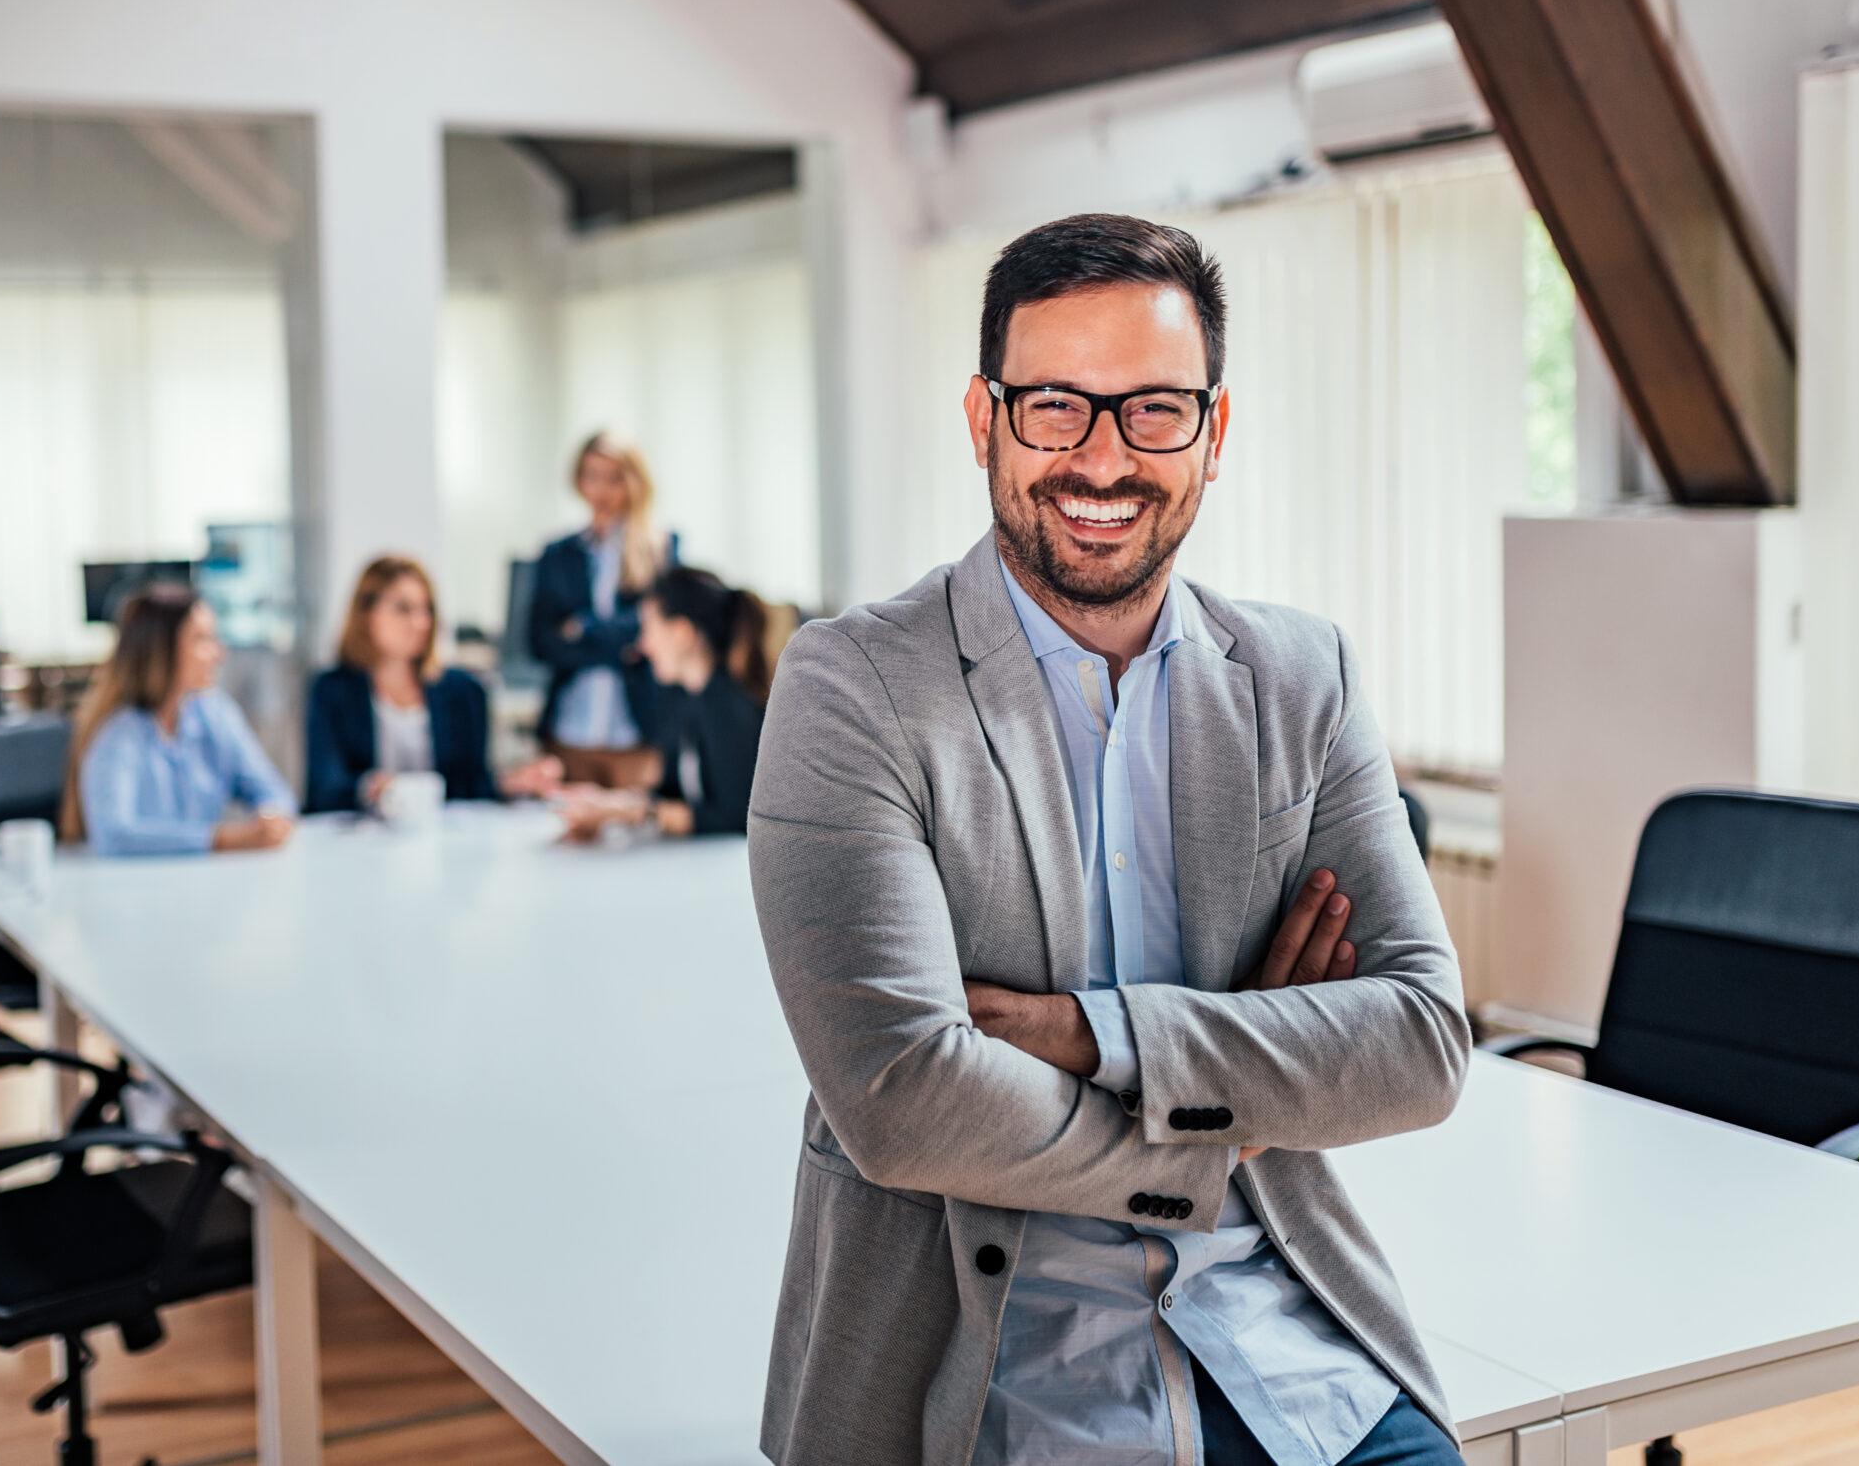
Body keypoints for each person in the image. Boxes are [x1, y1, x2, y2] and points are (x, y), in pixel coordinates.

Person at [748, 213, 1468, 1466]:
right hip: (996, 1387)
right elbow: (902, 1102)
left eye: (1150, 409)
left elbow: (1416, 1041)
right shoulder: (852, 684)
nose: (1101, 457)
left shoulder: (1304, 678)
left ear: (1213, 431)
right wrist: (1228, 1107)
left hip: (1292, 1357)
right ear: (983, 420)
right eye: (1054, 408)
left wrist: (1096, 1033)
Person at [304, 555, 562, 814]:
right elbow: (324, 789)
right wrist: (372, 788)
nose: (420, 623)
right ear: (366, 613)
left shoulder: (465, 691)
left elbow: (472, 787)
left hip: (443, 836)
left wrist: (511, 783)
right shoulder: (332, 689)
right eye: (403, 608)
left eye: (426, 609)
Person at [61, 580, 296, 856]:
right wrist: (220, 839)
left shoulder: (215, 713)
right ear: (161, 651)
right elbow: (115, 835)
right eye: (202, 640)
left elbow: (273, 791)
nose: (218, 654)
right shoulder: (119, 735)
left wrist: (271, 819)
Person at [558, 565, 769, 842]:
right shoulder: (683, 700)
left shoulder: (730, 706)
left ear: (681, 633)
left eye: (649, 628)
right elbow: (671, 794)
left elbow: (733, 818)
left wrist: (630, 813)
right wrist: (608, 803)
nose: (643, 644)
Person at [529, 432, 671, 790]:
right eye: (591, 476)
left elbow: (655, 629)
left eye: (615, 478)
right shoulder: (558, 555)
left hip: (636, 737)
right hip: (568, 736)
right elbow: (540, 641)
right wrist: (621, 647)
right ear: (578, 481)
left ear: (634, 483)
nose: (601, 491)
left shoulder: (659, 551)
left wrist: (580, 630)